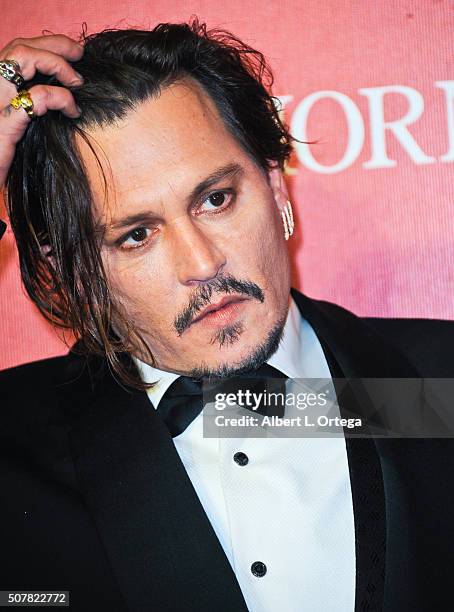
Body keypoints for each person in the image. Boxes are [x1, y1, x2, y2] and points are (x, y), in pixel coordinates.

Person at [0, 21, 453, 612]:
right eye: (137, 235)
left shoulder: (438, 384)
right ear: (73, 275)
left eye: (215, 199)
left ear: (275, 186)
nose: (203, 262)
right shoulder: (13, 446)